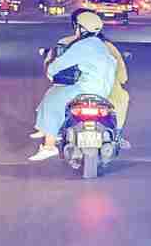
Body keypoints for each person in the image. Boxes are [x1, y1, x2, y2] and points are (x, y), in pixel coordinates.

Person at [30, 11, 120, 161]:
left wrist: (50, 70)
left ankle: (49, 146)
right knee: (56, 94)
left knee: (53, 99)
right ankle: (44, 127)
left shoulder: (83, 45)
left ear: (81, 28)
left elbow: (61, 63)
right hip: (102, 91)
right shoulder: (100, 45)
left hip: (86, 89)